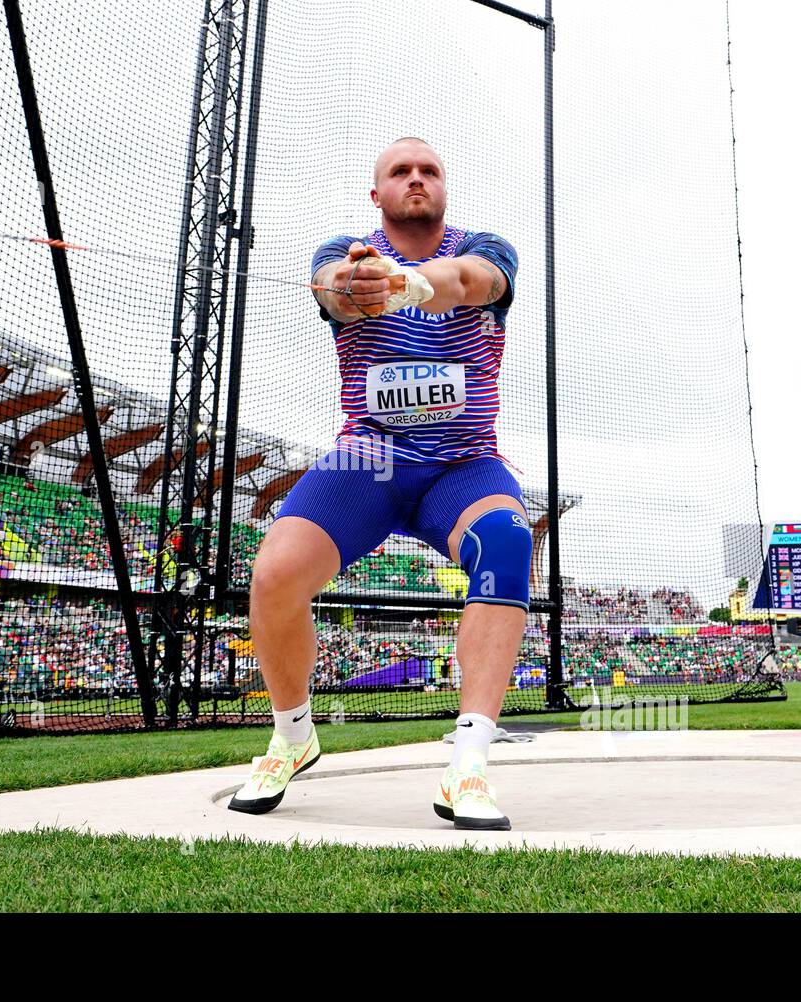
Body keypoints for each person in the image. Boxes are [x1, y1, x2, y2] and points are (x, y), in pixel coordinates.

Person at [228, 137, 526, 830]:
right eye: (401, 171)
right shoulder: (344, 247)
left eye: (429, 171)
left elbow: (471, 282)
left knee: (507, 544)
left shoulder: (487, 245)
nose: (416, 179)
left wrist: (414, 284)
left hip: (462, 461)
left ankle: (469, 766)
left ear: (444, 190)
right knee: (274, 573)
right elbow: (337, 292)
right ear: (378, 194)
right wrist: (359, 286)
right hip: (370, 458)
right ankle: (293, 737)